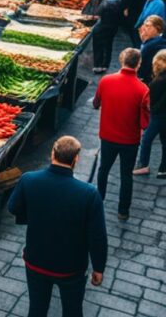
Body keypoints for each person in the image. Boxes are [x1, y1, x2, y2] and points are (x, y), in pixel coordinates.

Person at [7, 136, 107, 317]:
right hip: (71, 268)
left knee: (36, 309)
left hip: (36, 261)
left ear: (52, 153)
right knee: (73, 311)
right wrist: (99, 267)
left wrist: (37, 216)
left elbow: (13, 207)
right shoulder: (89, 194)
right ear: (76, 159)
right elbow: (97, 236)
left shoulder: (29, 179)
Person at [93, 48, 149, 220]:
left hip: (108, 136)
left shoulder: (106, 81)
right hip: (130, 140)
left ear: (121, 60)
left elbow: (96, 104)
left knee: (103, 169)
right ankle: (123, 211)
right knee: (126, 175)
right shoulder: (143, 89)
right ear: (138, 64)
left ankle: (98, 202)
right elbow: (145, 122)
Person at [135, 49, 166, 177]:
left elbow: (154, 100)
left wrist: (152, 109)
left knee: (147, 139)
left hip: (159, 115)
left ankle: (143, 165)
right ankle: (163, 169)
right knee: (165, 141)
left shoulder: (159, 80)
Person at [91, 0, 122, 73]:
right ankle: (105, 65)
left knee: (98, 47)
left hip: (101, 28)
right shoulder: (118, 5)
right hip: (113, 28)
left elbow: (97, 15)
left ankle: (97, 66)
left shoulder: (105, 3)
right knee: (108, 46)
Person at [137, 16, 166, 82]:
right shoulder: (155, 41)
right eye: (144, 25)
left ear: (157, 28)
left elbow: (141, 66)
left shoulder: (153, 44)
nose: (143, 28)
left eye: (148, 26)